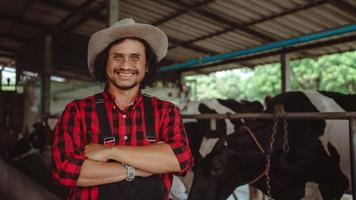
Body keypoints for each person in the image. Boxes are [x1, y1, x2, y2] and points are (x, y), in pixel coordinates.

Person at [52, 18, 193, 200]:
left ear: (147, 65)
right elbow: (64, 170)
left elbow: (180, 159)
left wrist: (110, 151)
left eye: (135, 58)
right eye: (118, 57)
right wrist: (139, 168)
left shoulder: (165, 111)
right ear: (105, 63)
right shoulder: (78, 110)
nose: (126, 65)